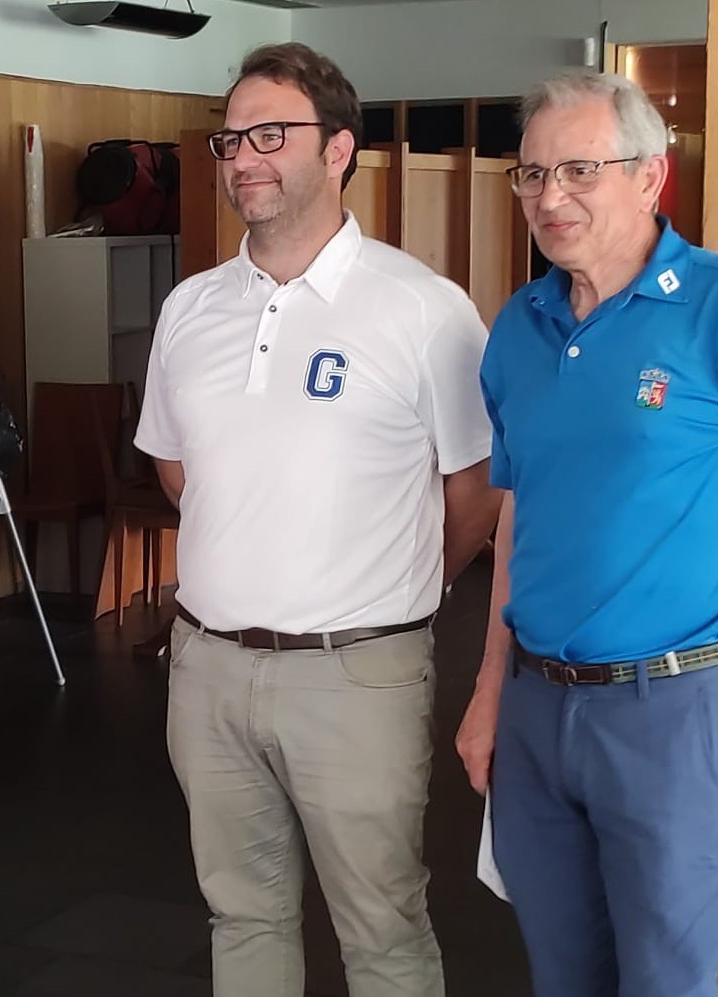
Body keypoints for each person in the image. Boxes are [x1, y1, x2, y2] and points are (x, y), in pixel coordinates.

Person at [135, 42, 500, 997]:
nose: (243, 158)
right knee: (240, 914)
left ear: (338, 148)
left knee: (381, 924)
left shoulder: (423, 309)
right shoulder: (189, 308)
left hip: (357, 670)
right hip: (207, 666)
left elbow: (476, 494)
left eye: (271, 134)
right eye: (231, 138)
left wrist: (394, 579)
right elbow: (181, 471)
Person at [455, 71, 718, 997]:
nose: (549, 196)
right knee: (562, 973)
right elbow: (518, 516)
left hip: (675, 708)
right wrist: (490, 691)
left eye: (578, 169)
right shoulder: (517, 327)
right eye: (530, 174)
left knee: (665, 980)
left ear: (650, 177)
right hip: (537, 708)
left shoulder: (717, 308)